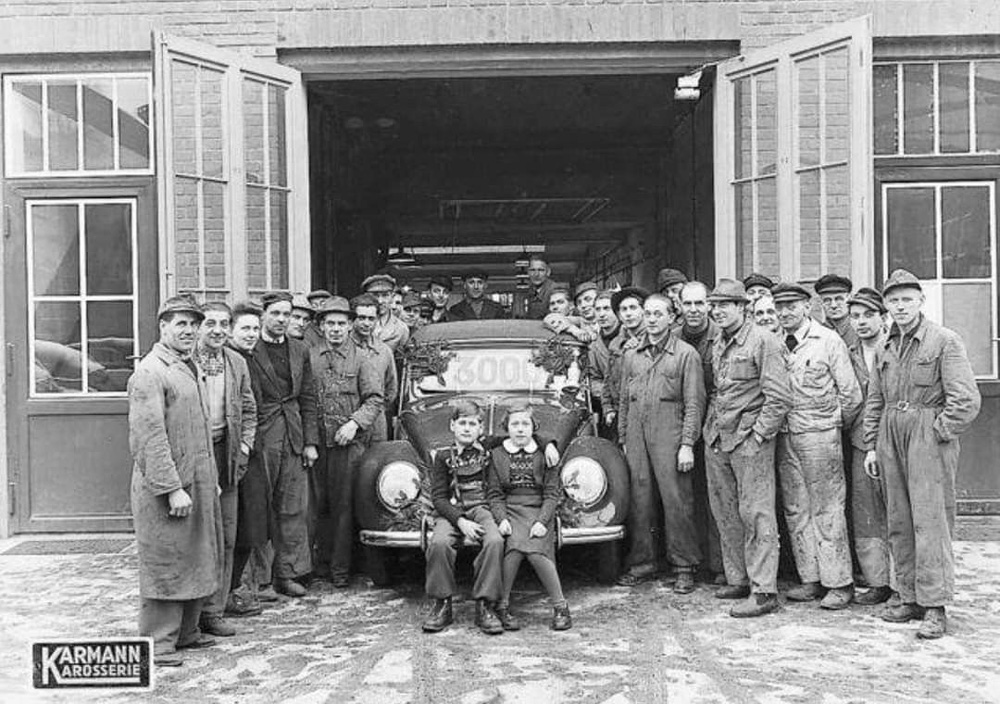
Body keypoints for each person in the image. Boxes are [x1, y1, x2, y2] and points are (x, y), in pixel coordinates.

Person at [863, 269, 981, 639]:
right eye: (893, 301)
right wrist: (871, 444)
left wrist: (937, 432)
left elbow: (966, 400)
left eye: (906, 300)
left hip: (926, 434)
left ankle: (935, 606)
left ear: (920, 302)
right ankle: (909, 597)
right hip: (890, 433)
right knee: (898, 518)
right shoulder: (885, 346)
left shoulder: (944, 341)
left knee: (930, 522)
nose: (900, 307)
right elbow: (875, 398)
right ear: (886, 306)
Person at [128, 295, 223, 667]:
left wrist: (208, 479)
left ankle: (187, 633)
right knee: (166, 559)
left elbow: (198, 429)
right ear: (162, 327)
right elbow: (148, 437)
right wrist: (170, 489)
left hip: (195, 481)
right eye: (180, 323)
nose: (189, 331)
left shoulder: (186, 366)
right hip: (166, 487)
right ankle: (158, 644)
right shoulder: (151, 372)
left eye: (193, 324)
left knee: (195, 555)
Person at [771, 283, 862, 610]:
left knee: (827, 509)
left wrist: (830, 423)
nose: (785, 312)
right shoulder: (775, 342)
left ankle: (839, 582)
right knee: (796, 508)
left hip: (820, 435)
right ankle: (810, 578)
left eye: (792, 306)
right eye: (780, 307)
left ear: (807, 307)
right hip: (785, 435)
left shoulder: (828, 340)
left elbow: (851, 395)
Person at [703, 279, 791, 618]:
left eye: (726, 305)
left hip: (748, 440)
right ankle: (738, 578)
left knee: (757, 514)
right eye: (716, 305)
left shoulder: (764, 341)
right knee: (726, 512)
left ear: (743, 308)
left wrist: (758, 436)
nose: (718, 311)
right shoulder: (718, 341)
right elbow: (719, 391)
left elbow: (779, 397)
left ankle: (764, 589)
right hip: (718, 438)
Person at [616, 294, 705, 592]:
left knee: (676, 500)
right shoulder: (631, 355)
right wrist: (623, 438)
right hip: (636, 435)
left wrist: (687, 444)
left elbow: (694, 403)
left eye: (658, 314)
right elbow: (623, 400)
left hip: (671, 434)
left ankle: (684, 566)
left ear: (672, 317)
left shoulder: (685, 354)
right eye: (648, 314)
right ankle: (643, 562)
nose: (652, 319)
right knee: (639, 501)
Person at [245, 291, 320, 598]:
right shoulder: (250, 348)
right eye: (275, 313)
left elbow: (308, 398)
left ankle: (289, 573)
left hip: (293, 434)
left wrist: (310, 442)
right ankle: (260, 580)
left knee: (292, 506)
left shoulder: (300, 349)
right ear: (263, 315)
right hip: (263, 435)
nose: (281, 320)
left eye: (286, 314)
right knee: (260, 507)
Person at [309, 296, 384, 588]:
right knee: (318, 506)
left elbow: (375, 398)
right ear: (322, 326)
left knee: (344, 507)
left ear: (350, 325)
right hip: (317, 443)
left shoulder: (363, 358)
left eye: (342, 323)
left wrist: (354, 423)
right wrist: (310, 441)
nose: (336, 329)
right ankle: (319, 567)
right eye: (330, 323)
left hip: (349, 445)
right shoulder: (310, 356)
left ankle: (341, 570)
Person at [194, 302, 258, 638]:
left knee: (227, 536)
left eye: (223, 324)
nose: (217, 330)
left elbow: (248, 408)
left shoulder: (235, 362)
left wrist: (245, 446)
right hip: (194, 456)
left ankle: (214, 611)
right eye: (210, 323)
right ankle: (192, 611)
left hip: (228, 454)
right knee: (197, 535)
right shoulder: (185, 362)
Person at [422, 401, 507, 635]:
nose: (467, 429)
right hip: (451, 511)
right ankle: (442, 603)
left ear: (481, 428)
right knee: (439, 543)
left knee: (495, 541)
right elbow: (438, 498)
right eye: (462, 423)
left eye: (472, 424)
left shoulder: (490, 448)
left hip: (482, 508)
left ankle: (485, 604)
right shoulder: (442, 457)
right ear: (452, 426)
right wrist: (460, 521)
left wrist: (548, 445)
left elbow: (522, 433)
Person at [488, 405, 571, 631]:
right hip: (511, 510)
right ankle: (502, 607)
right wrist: (501, 518)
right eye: (515, 424)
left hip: (538, 509)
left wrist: (542, 522)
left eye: (525, 424)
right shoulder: (497, 454)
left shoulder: (546, 453)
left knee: (535, 551)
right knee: (513, 549)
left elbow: (552, 493)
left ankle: (561, 607)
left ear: (534, 428)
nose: (520, 429)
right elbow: (495, 494)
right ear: (507, 428)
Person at [845, 287, 893, 606]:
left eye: (868, 315)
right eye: (856, 317)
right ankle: (877, 582)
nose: (861, 322)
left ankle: (903, 583)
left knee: (898, 511)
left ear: (883, 317)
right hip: (862, 441)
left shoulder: (896, 348)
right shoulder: (847, 351)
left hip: (894, 440)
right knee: (866, 512)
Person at [678, 281, 724, 583]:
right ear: (679, 307)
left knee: (717, 497)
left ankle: (720, 565)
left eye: (699, 303)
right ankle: (691, 562)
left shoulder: (721, 337)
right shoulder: (671, 338)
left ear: (708, 305)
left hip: (716, 425)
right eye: (688, 304)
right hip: (680, 426)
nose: (693, 310)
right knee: (686, 495)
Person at [225, 303, 270, 617]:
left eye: (255, 329)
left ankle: (231, 591)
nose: (252, 334)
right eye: (245, 329)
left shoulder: (251, 359)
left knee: (251, 523)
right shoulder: (228, 361)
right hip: (231, 452)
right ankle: (222, 595)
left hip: (251, 451)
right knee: (230, 526)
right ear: (231, 331)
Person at [350, 293, 398, 442]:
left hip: (376, 425)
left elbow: (391, 390)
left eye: (371, 319)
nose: (366, 323)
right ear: (352, 320)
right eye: (361, 318)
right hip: (348, 423)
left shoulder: (383, 351)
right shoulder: (343, 348)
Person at [601, 286, 648, 432]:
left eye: (633, 308)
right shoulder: (616, 343)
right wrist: (608, 408)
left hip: (644, 414)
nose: (628, 314)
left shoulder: (652, 340)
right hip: (619, 413)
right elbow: (608, 380)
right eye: (624, 309)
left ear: (643, 311)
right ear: (619, 316)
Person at [588, 290, 620, 440]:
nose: (602, 314)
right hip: (607, 409)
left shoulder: (629, 337)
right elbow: (594, 377)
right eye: (598, 309)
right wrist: (605, 393)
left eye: (607, 309)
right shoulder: (594, 345)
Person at [363, 274, 410, 353]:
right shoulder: (357, 324)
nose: (380, 301)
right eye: (375, 295)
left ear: (392, 297)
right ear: (366, 297)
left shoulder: (401, 328)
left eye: (385, 295)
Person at [814, 274, 860, 350]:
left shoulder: (859, 328)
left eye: (839, 299)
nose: (833, 305)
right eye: (827, 300)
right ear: (820, 302)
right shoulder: (817, 333)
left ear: (849, 298)